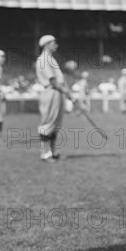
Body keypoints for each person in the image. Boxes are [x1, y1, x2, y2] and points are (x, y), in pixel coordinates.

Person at [35, 35, 73, 163]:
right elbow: (53, 80)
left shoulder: (51, 59)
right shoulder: (43, 59)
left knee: (56, 125)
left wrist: (65, 91)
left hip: (57, 93)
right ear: (46, 44)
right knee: (48, 123)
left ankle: (53, 152)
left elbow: (59, 79)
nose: (56, 45)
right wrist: (66, 91)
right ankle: (44, 154)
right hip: (50, 92)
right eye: (53, 43)